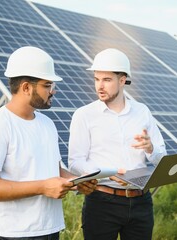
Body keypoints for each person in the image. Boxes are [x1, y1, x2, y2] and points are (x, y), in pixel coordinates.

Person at [0, 46, 97, 239]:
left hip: (49, 229)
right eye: (47, 85)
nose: (53, 91)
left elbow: (52, 170)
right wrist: (42, 187)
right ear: (26, 87)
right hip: (11, 233)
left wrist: (76, 182)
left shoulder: (47, 124)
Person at [68, 48, 167, 240]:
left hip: (141, 202)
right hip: (102, 202)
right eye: (97, 79)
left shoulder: (142, 111)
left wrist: (150, 148)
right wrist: (107, 173)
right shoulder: (84, 115)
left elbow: (161, 159)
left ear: (122, 80)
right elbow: (75, 162)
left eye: (106, 80)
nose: (99, 86)